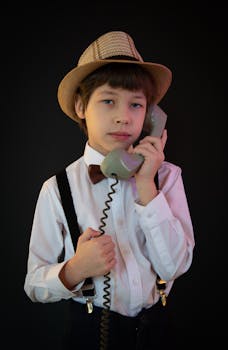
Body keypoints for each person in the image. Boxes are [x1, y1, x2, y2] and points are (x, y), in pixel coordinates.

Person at [24, 31, 195, 350]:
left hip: (157, 332)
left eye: (136, 104)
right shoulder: (57, 190)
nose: (123, 116)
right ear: (80, 106)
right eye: (108, 101)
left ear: (151, 117)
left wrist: (146, 185)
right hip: (91, 334)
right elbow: (33, 284)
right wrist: (74, 269)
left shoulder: (167, 177)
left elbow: (174, 266)